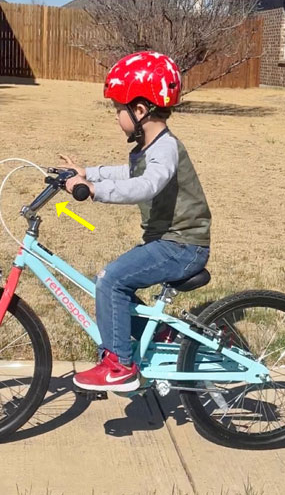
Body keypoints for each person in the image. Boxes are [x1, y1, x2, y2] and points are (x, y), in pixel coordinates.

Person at [60, 51, 212, 392]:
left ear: (140, 110)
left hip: (183, 246)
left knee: (111, 279)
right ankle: (162, 334)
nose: (116, 117)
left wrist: (93, 189)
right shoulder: (148, 147)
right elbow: (130, 171)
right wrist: (87, 173)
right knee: (116, 282)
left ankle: (118, 365)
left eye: (119, 109)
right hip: (169, 242)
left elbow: (145, 184)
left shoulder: (166, 148)